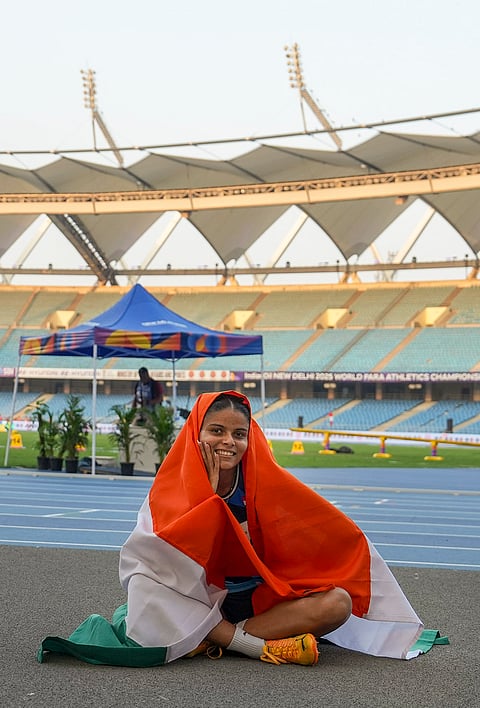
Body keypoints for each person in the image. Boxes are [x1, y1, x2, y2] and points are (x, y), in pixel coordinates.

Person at [38, 390, 428, 668]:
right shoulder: (172, 486)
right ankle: (254, 647)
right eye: (216, 431)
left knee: (337, 603)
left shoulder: (263, 486)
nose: (228, 442)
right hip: (190, 596)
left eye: (239, 434)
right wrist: (207, 504)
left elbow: (317, 534)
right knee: (148, 589)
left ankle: (208, 638)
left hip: (253, 602)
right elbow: (151, 565)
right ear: (197, 433)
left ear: (250, 438)